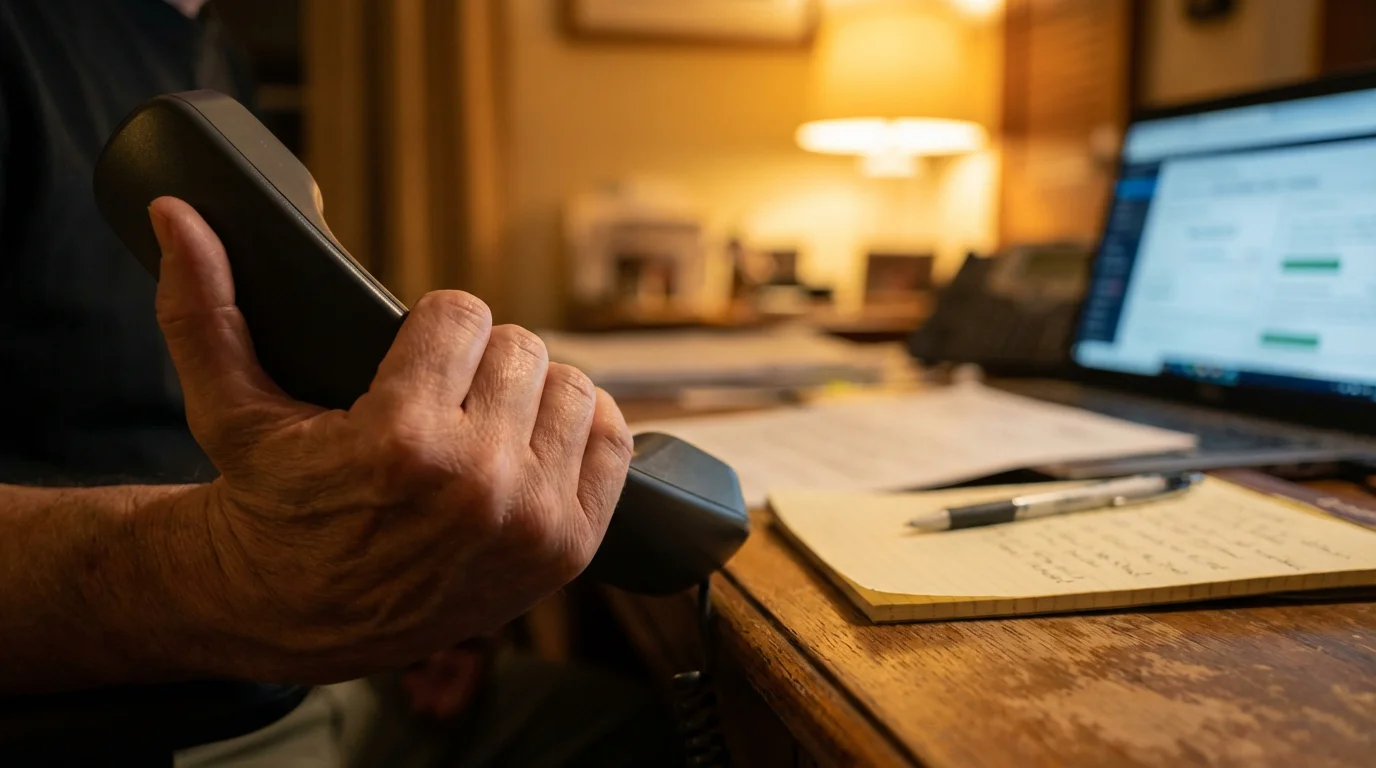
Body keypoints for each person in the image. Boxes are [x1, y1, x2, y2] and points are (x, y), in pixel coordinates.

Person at [0, 0, 676, 764]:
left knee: (648, 728)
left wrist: (408, 574)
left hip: (327, 667)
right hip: (144, 714)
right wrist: (225, 572)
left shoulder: (209, 48)